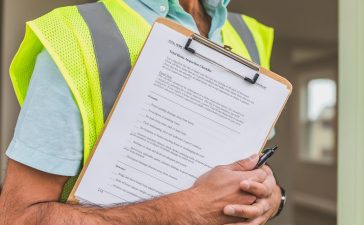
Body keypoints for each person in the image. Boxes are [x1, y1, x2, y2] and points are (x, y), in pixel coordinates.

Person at [0, 0, 284, 224]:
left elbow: (249, 164)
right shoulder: (74, 34)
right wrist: (183, 211)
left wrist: (271, 200)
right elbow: (20, 218)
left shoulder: (248, 34)